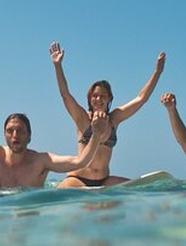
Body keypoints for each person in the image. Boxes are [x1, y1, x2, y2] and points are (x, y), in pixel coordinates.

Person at [0, 69, 110, 188]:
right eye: (10, 131)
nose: (15, 135)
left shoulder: (41, 161)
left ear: (29, 137)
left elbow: (80, 161)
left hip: (29, 219)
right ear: (4, 135)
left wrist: (96, 135)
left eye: (20, 131)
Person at [49, 41, 166, 188]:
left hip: (104, 180)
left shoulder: (114, 119)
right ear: (89, 98)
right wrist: (58, 66)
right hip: (78, 180)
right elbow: (65, 95)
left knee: (141, 191)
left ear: (109, 99)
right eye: (95, 96)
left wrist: (157, 73)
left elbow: (141, 99)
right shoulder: (82, 118)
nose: (99, 99)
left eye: (103, 96)